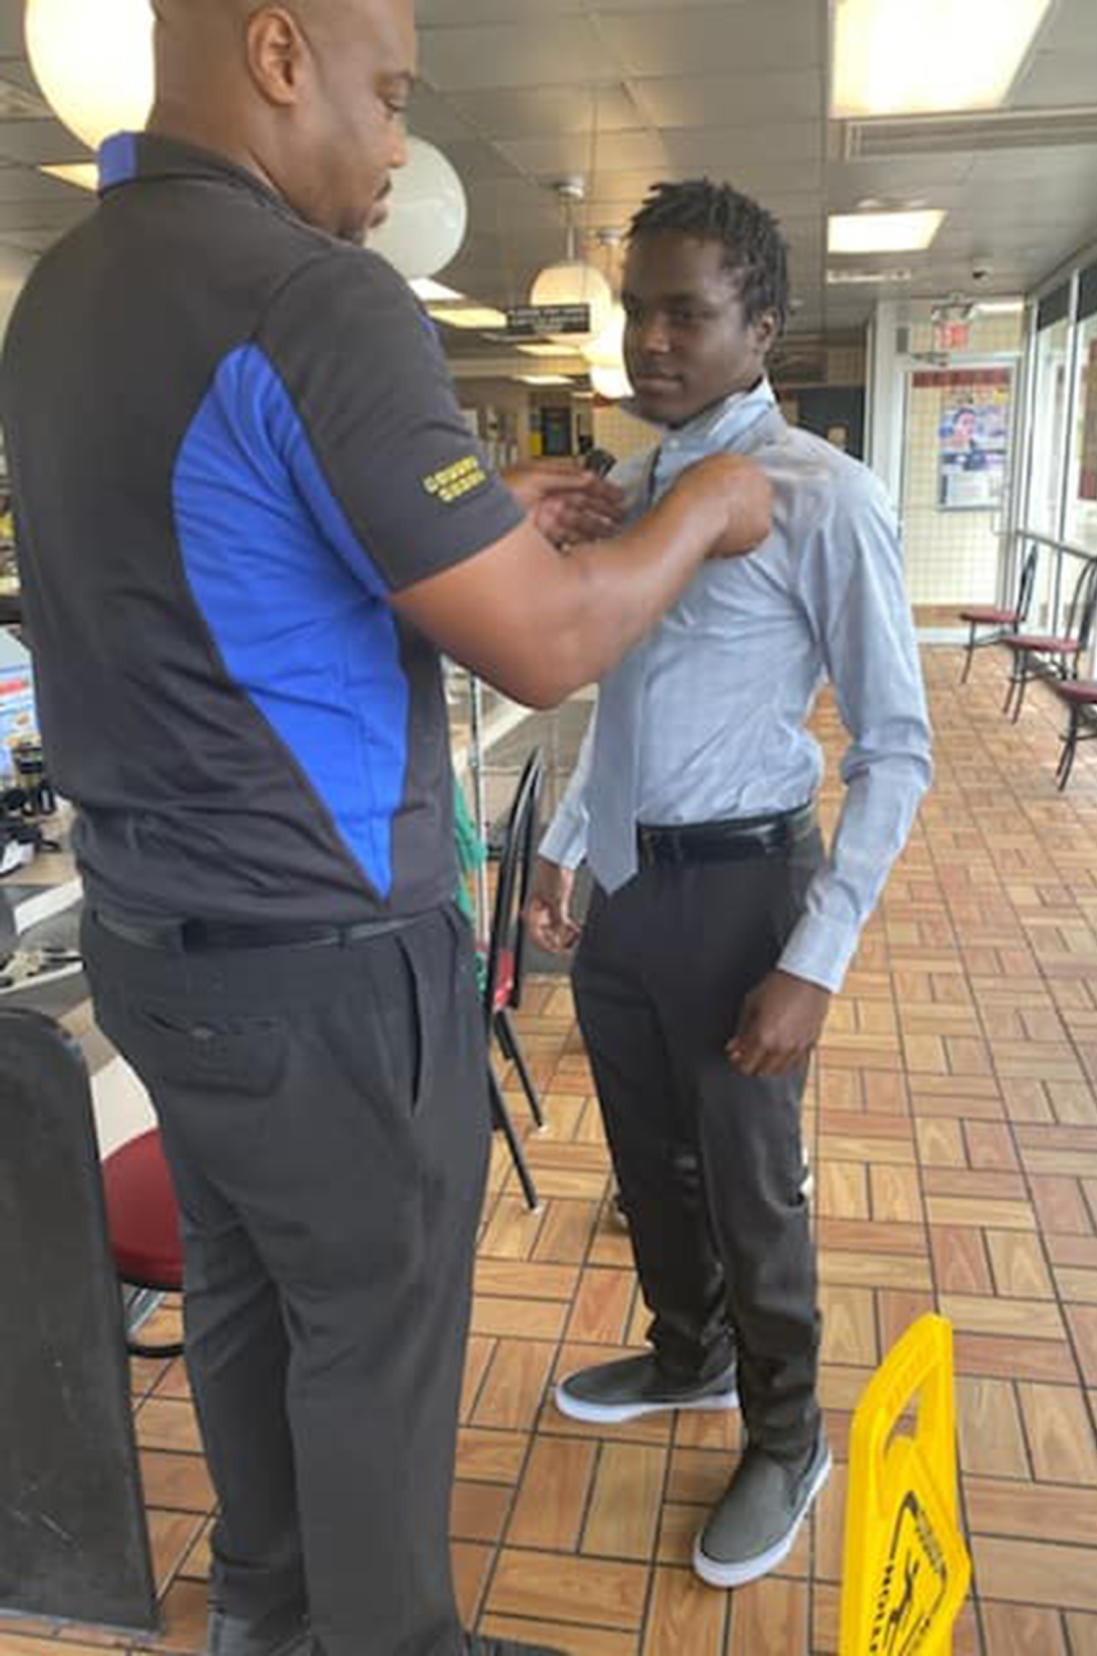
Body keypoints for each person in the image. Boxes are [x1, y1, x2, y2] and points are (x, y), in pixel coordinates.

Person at [0, 5, 774, 1653]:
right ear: (280, 53)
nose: (400, 143)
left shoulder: (66, 290)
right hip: (328, 968)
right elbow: (550, 644)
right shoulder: (311, 291)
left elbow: (237, 584)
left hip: (157, 950)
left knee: (249, 1298)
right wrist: (703, 508)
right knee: (374, 1332)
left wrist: (492, 532)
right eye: (390, 91)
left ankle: (267, 1624)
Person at [526, 179, 933, 1590]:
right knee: (648, 1163)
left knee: (752, 1187)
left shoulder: (823, 497)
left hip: (750, 893)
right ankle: (687, 1354)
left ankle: (782, 1432)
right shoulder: (633, 491)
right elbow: (624, 700)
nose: (648, 340)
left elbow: (897, 749)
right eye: (637, 309)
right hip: (635, 893)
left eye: (684, 313)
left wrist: (815, 957)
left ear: (760, 326)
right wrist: (572, 847)